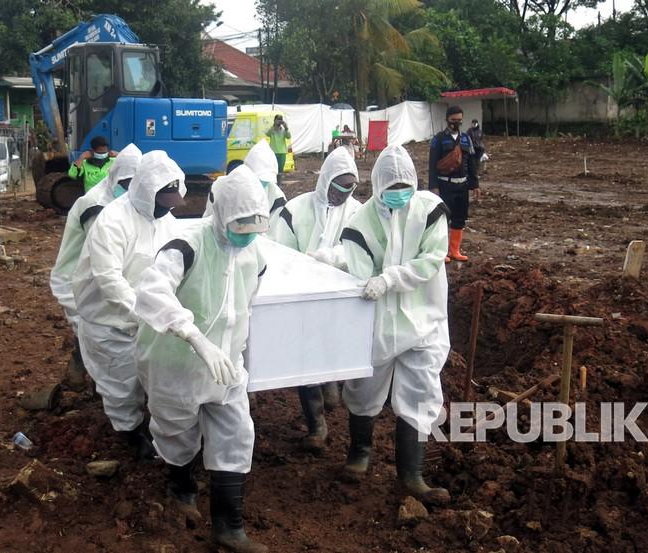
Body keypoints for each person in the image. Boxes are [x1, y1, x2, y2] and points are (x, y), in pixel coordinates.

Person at [134, 165, 269, 553]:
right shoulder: (186, 245)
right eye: (240, 224)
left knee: (237, 432)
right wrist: (193, 335)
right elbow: (151, 292)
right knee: (177, 433)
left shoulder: (253, 255)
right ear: (222, 213)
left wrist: (235, 350)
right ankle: (181, 487)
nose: (246, 234)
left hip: (225, 365)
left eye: (254, 227)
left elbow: (245, 304)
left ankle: (229, 528)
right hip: (175, 361)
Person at [340, 144, 451, 505]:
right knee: (363, 388)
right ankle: (360, 451)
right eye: (392, 188)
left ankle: (411, 474)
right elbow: (358, 271)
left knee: (420, 391)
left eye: (406, 185)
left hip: (424, 316)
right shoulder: (360, 223)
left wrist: (389, 279)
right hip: (379, 321)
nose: (400, 193)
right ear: (377, 187)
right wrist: (370, 281)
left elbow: (432, 258)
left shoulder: (431, 210)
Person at [72, 150, 186, 459]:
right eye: (163, 203)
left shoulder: (167, 221)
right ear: (148, 193)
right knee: (119, 380)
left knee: (148, 376)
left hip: (147, 319)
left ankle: (146, 421)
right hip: (110, 319)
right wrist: (145, 312)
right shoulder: (112, 221)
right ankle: (128, 432)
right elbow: (110, 280)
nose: (167, 210)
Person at [273, 146, 360, 452]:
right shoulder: (296, 210)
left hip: (340, 299)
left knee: (335, 348)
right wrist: (300, 266)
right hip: (302, 297)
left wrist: (331, 257)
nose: (342, 196)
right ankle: (316, 426)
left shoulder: (357, 212)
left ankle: (333, 383)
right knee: (305, 359)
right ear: (325, 182)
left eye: (350, 189)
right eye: (338, 188)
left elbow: (359, 252)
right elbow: (277, 250)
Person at [50, 144, 142, 386]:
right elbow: (106, 266)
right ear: (114, 176)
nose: (131, 189)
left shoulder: (122, 198)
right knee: (96, 336)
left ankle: (91, 377)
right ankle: (89, 380)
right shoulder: (98, 207)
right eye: (127, 182)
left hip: (98, 283)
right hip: (81, 284)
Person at [428, 106, 479, 263]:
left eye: (459, 120)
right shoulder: (438, 139)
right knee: (443, 219)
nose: (456, 123)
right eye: (453, 120)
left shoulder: (466, 139)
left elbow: (471, 162)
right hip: (445, 186)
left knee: (459, 218)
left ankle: (455, 250)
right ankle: (442, 252)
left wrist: (475, 184)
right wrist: (433, 187)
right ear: (447, 119)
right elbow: (432, 164)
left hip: (462, 186)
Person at [205, 140, 286, 235]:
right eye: (258, 180)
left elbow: (275, 235)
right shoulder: (220, 187)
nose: (260, 185)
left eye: (265, 181)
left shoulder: (276, 198)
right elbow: (208, 222)